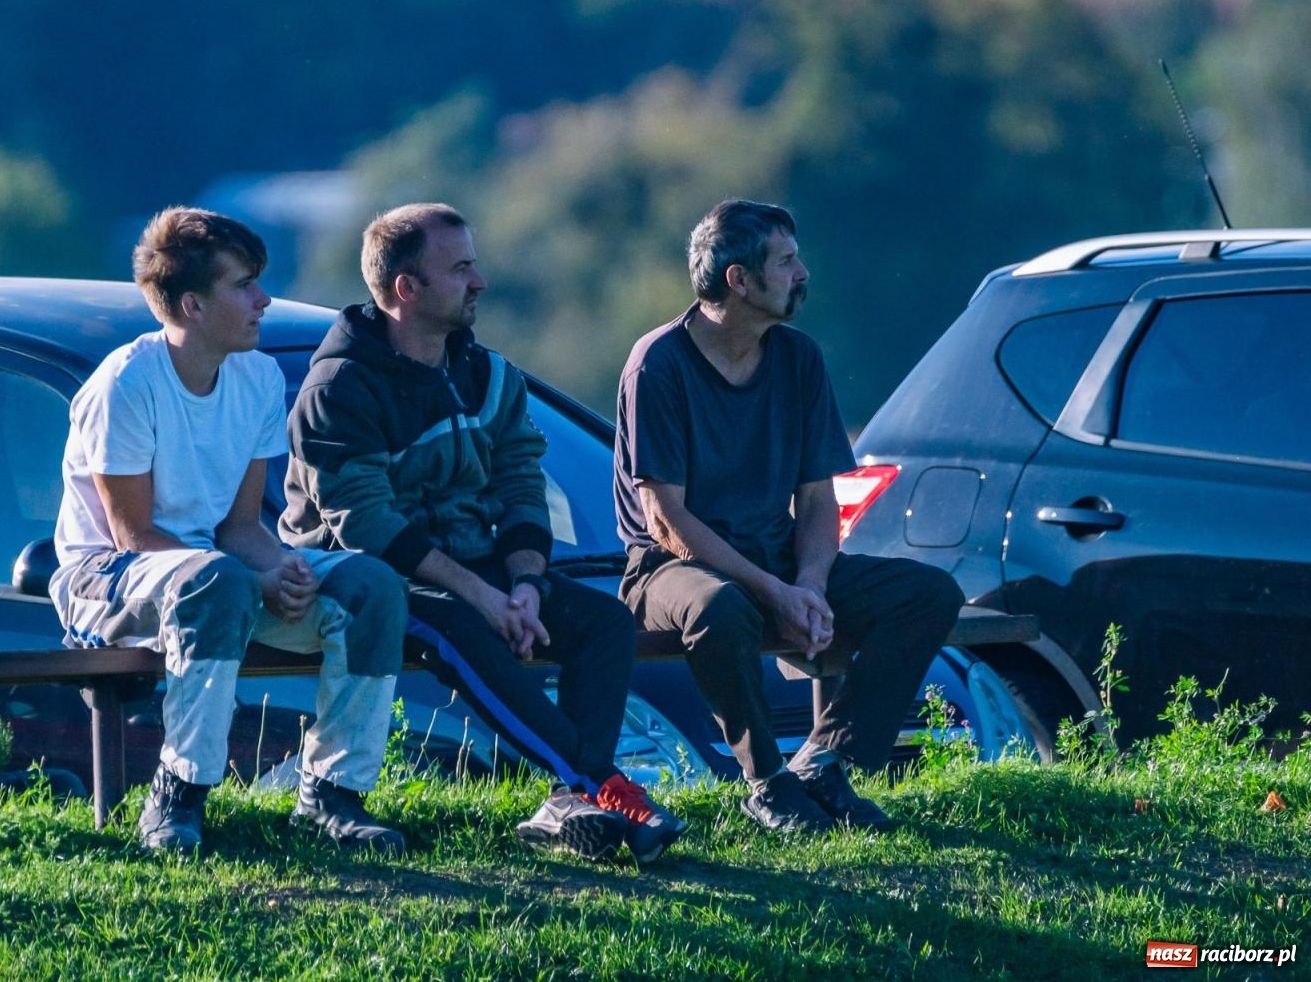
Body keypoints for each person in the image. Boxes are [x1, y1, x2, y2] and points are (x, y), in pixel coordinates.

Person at [280, 203, 686, 863]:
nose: (480, 282)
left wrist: (523, 585)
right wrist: (483, 598)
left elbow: (523, 483)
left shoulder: (490, 375)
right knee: (459, 630)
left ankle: (568, 796)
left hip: (474, 571)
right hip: (366, 583)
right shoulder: (340, 386)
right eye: (462, 267)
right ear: (406, 289)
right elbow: (370, 527)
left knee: (604, 623)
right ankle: (601, 786)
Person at [50, 206, 409, 855]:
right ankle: (177, 796)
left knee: (368, 584)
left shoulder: (258, 376)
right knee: (216, 579)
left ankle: (332, 796)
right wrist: (250, 577)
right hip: (104, 581)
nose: (262, 298)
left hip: (214, 575)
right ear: (191, 304)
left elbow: (241, 526)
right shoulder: (124, 385)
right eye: (243, 284)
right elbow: (132, 534)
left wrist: (281, 569)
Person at [614, 199, 962, 833]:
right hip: (669, 568)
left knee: (926, 593)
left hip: (777, 558)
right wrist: (773, 591)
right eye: (785, 261)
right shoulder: (657, 363)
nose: (802, 272)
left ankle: (826, 763)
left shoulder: (799, 358)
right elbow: (665, 519)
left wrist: (809, 585)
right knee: (721, 608)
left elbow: (819, 498)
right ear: (738, 280)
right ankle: (766, 782)